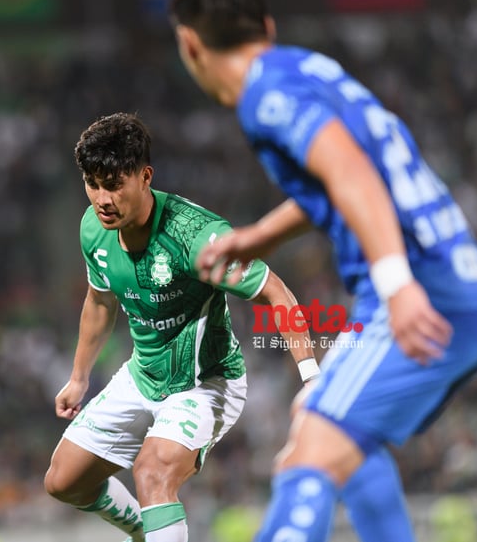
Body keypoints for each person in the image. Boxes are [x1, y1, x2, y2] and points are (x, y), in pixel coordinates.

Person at [169, 0, 477, 540]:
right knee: (328, 431)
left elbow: (350, 174)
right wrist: (259, 238)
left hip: (419, 287)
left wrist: (396, 284)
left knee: (308, 458)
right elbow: (341, 172)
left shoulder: (266, 95)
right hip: (451, 276)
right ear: (266, 28)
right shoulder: (306, 69)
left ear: (190, 44)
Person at [43, 112, 319, 542]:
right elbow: (99, 301)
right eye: (93, 184)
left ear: (145, 176)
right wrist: (79, 378)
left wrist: (310, 378)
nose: (102, 198)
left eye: (114, 183)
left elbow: (276, 293)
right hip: (142, 376)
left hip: (204, 383)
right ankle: (145, 529)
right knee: (63, 481)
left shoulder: (194, 237)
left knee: (152, 471)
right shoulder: (92, 230)